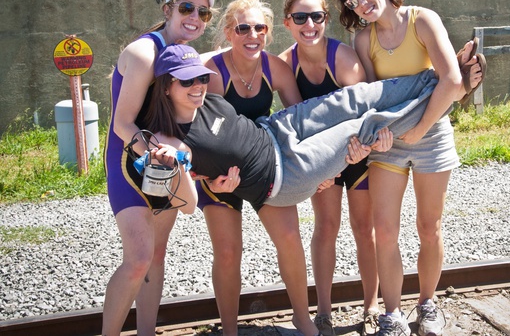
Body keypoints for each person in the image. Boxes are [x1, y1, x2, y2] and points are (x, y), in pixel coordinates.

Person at [142, 42, 480, 335]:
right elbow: (185, 206)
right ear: (166, 85)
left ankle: (443, 76)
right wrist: (177, 167)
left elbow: (222, 52)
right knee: (361, 127)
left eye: (201, 76)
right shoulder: (171, 142)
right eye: (187, 80)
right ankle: (452, 94)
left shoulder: (205, 99)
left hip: (277, 129)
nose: (199, 85)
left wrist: (199, 56)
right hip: (284, 174)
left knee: (356, 98)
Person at [330, 0, 486, 336]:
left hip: (431, 135)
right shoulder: (363, 41)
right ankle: (393, 314)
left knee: (429, 226)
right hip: (389, 143)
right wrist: (378, 136)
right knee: (385, 231)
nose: (361, 3)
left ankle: (428, 304)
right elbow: (372, 98)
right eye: (352, 1)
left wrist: (419, 129)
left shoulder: (423, 20)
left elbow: (451, 80)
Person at [103, 0, 215, 336]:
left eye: (203, 12)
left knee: (157, 254)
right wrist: (155, 158)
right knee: (137, 259)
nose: (194, 17)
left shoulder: (185, 55)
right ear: (167, 10)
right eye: (186, 8)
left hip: (161, 160)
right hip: (129, 160)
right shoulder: (143, 53)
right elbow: (122, 122)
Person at [279, 0, 380, 336]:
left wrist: (352, 156)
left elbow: (367, 114)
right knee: (326, 228)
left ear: (326, 19)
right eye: (301, 18)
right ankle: (323, 313)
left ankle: (371, 306)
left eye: (317, 17)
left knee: (362, 230)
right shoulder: (283, 65)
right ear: (287, 22)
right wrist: (320, 170)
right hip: (324, 158)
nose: (310, 26)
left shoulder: (344, 58)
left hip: (359, 150)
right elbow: (299, 125)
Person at [199, 0, 304, 336]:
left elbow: (300, 121)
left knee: (289, 237)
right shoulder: (214, 73)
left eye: (260, 27)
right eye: (243, 28)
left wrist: (313, 168)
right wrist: (212, 183)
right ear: (229, 33)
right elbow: (201, 136)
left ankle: (304, 322)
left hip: (262, 164)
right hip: (220, 175)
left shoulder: (276, 67)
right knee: (228, 252)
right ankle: (229, 330)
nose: (253, 34)